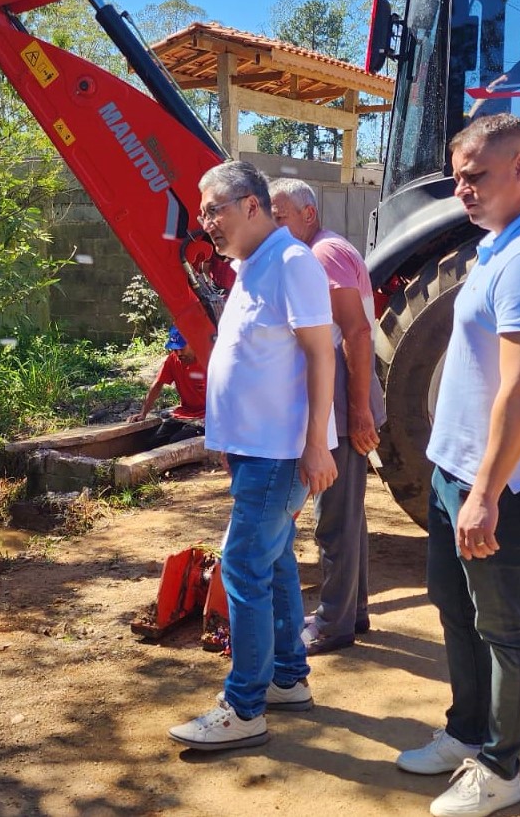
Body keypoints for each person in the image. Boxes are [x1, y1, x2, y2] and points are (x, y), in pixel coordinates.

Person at [396, 113, 520, 817]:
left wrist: (484, 493)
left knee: (505, 628)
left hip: (501, 485)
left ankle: (500, 768)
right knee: (454, 609)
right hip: (460, 473)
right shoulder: (499, 242)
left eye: (474, 175)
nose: (461, 189)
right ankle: (466, 732)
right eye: (456, 176)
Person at [168, 160, 337, 752]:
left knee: (241, 568)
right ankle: (287, 679)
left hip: (280, 455)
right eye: (202, 210)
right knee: (276, 564)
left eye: (212, 208)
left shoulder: (291, 264)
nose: (204, 221)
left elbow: (322, 356)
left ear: (251, 205)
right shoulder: (251, 268)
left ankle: (244, 707)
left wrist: (317, 444)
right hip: (255, 450)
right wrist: (228, 439)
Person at [269, 178, 386, 655]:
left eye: (280, 218)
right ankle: (351, 613)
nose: (274, 228)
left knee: (333, 520)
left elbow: (356, 334)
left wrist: (358, 412)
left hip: (342, 404)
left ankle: (334, 624)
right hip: (342, 400)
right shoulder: (330, 249)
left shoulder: (321, 256)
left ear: (307, 215)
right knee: (346, 516)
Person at [127, 325, 206, 445]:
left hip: (206, 417)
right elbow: (157, 384)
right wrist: (143, 413)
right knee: (154, 442)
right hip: (183, 414)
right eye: (175, 349)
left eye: (182, 348)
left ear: (193, 343)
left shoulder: (208, 361)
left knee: (177, 442)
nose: (178, 353)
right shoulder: (172, 360)